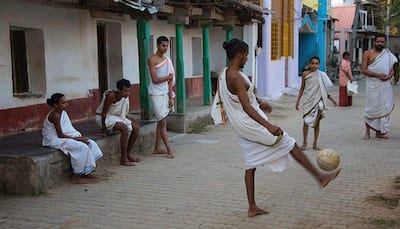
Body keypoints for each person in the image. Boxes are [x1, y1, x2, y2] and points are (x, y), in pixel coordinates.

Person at [216, 39, 340, 217]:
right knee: (289, 143)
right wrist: (268, 125)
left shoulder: (226, 73)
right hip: (251, 126)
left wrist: (260, 102)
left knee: (251, 163)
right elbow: (246, 106)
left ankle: (252, 207)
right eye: (246, 55)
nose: (247, 58)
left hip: (242, 128)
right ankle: (320, 177)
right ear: (239, 55)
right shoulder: (235, 77)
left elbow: (245, 98)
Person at [42, 93, 103, 184]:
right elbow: (60, 135)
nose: (66, 104)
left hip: (63, 136)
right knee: (82, 147)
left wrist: (79, 137)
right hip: (53, 139)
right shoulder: (55, 115)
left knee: (90, 143)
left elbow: (68, 129)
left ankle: (86, 171)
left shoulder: (63, 113)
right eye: (63, 103)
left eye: (66, 102)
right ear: (55, 105)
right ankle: (76, 176)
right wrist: (77, 139)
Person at [296, 56, 337, 150]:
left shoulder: (321, 75)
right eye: (312, 63)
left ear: (319, 64)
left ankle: (315, 144)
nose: (314, 65)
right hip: (307, 101)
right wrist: (298, 101)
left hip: (318, 102)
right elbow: (302, 88)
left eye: (316, 63)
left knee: (317, 122)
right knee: (305, 121)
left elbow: (324, 90)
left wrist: (332, 99)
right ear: (309, 64)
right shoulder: (305, 74)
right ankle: (304, 143)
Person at [360, 34, 397, 139]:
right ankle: (367, 133)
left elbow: (394, 67)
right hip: (372, 85)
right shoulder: (367, 53)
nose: (380, 44)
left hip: (385, 85)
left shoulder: (388, 54)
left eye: (382, 42)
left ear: (384, 42)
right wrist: (378, 75)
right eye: (378, 42)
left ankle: (379, 132)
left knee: (384, 107)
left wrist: (389, 76)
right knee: (370, 108)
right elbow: (363, 70)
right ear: (374, 42)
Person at [96, 79, 140, 166]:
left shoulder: (124, 98)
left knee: (136, 128)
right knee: (124, 128)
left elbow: (121, 113)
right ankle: (123, 158)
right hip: (103, 117)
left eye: (129, 91)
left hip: (115, 117)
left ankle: (127, 154)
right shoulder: (111, 96)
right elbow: (104, 113)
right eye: (125, 91)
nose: (127, 93)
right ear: (118, 90)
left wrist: (128, 118)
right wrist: (104, 130)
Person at [148, 36, 175, 158]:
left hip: (165, 93)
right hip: (156, 93)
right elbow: (154, 80)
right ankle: (169, 149)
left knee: (161, 122)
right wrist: (167, 78)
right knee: (162, 122)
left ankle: (157, 148)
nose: (165, 48)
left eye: (167, 45)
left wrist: (171, 96)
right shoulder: (152, 59)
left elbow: (170, 80)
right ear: (157, 45)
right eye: (163, 45)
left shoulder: (167, 60)